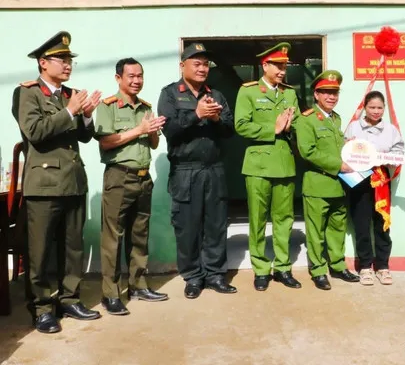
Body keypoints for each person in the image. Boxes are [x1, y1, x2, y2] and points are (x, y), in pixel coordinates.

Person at [11, 31, 102, 333]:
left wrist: (86, 116)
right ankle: (41, 308)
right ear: (43, 62)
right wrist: (70, 111)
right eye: (61, 59)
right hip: (44, 185)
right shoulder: (27, 93)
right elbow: (35, 132)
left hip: (73, 181)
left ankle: (70, 299)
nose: (67, 64)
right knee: (39, 252)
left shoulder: (69, 95)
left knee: (73, 247)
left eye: (69, 59)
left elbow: (84, 137)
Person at [157, 42, 236, 299]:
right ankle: (192, 277)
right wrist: (197, 114)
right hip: (185, 171)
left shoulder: (217, 95)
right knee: (187, 227)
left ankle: (215, 274)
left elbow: (229, 131)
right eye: (197, 64)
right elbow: (170, 130)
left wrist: (216, 118)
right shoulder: (170, 94)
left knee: (216, 224)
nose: (203, 69)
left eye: (206, 64)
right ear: (183, 66)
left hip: (214, 169)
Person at [94, 57, 169, 316]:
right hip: (119, 177)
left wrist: (152, 130)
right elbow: (106, 142)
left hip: (143, 178)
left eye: (140, 76)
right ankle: (110, 294)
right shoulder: (108, 106)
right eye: (131, 76)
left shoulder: (145, 107)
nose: (137, 81)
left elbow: (154, 144)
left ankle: (138, 285)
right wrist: (140, 129)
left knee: (140, 235)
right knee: (113, 239)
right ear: (119, 78)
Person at [234, 42, 301, 291]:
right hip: (258, 164)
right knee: (258, 219)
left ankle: (283, 267)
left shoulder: (289, 93)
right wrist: (273, 128)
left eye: (285, 67)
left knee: (284, 219)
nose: (283, 71)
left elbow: (296, 125)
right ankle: (261, 269)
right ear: (265, 65)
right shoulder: (249, 92)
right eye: (278, 66)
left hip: (284, 163)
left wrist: (291, 128)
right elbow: (241, 125)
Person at [296, 70, 360, 290]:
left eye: (335, 93)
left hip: (339, 185)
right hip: (317, 185)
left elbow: (334, 147)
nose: (331, 97)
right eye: (326, 92)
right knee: (316, 232)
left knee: (337, 229)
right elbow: (308, 151)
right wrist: (338, 165)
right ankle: (318, 271)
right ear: (316, 95)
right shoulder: (307, 119)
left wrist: (349, 147)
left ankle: (338, 266)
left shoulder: (336, 118)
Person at [344, 91, 404, 286]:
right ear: (364, 108)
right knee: (361, 223)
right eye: (372, 107)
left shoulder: (391, 130)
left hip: (381, 178)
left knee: (381, 223)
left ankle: (383, 266)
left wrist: (387, 158)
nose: (376, 111)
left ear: (384, 108)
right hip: (358, 178)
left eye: (380, 107)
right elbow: (344, 149)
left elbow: (399, 151)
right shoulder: (353, 127)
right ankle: (365, 267)